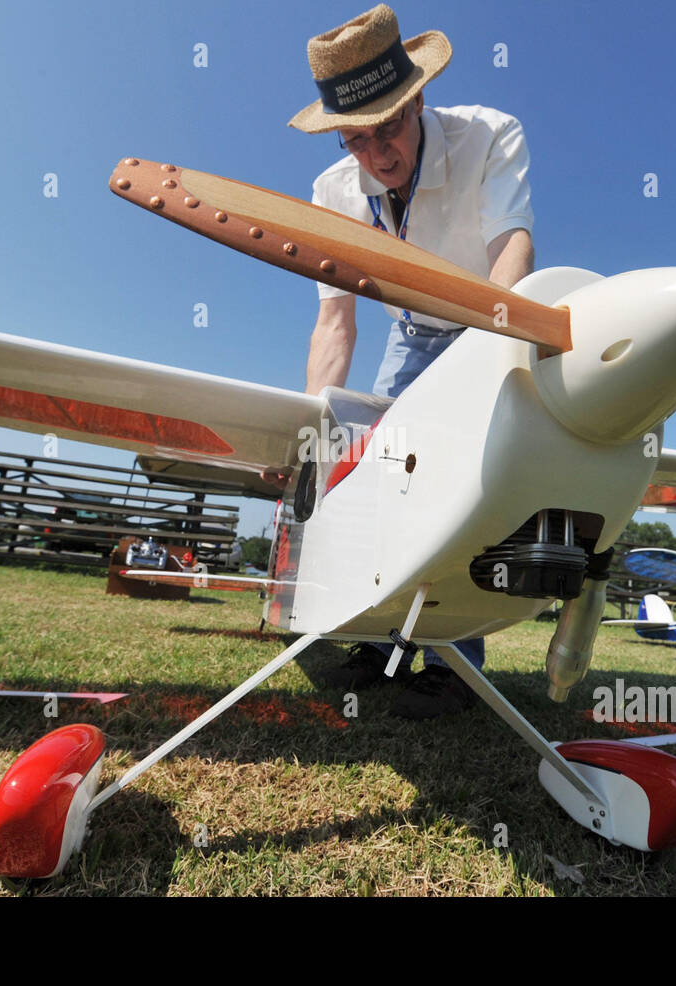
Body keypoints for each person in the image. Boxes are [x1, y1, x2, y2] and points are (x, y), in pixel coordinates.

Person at [289, 4, 535, 718]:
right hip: (408, 330)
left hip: (484, 318)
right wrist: (316, 427)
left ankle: (453, 663)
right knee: (373, 471)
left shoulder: (490, 135)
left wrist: (485, 370)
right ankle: (372, 636)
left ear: (418, 98)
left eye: (388, 130)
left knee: (465, 480)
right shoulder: (333, 193)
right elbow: (335, 318)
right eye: (354, 141)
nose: (375, 157)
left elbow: (510, 259)